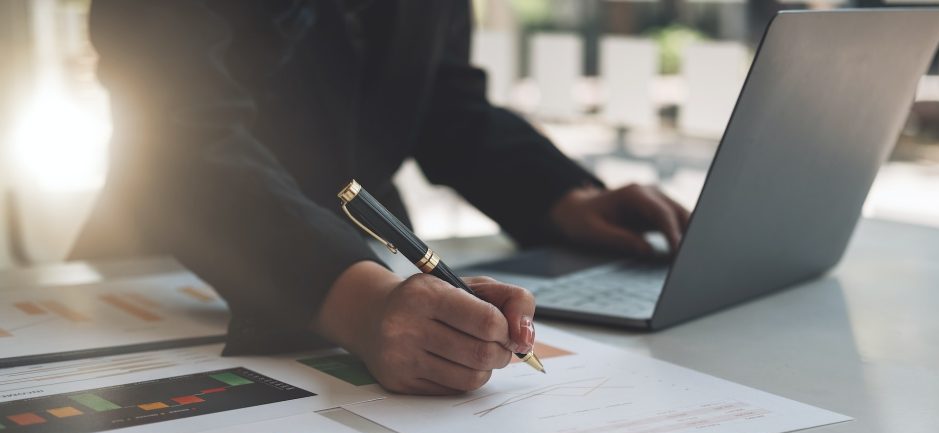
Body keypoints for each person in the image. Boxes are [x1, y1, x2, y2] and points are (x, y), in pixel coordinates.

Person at [72, 0, 688, 394]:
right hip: (162, 269)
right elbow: (178, 143)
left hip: (374, 271)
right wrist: (358, 301)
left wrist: (564, 198)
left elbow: (444, 100)